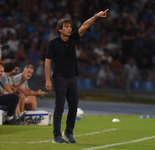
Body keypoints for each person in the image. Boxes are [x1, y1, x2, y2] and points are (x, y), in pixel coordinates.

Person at [45, 9, 109, 143]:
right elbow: (47, 61)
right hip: (59, 77)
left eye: (70, 26)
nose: (69, 28)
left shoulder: (73, 38)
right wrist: (47, 80)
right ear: (59, 30)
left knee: (74, 106)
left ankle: (68, 132)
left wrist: (96, 16)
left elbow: (85, 25)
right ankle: (56, 136)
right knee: (59, 107)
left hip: (73, 78)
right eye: (66, 27)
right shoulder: (53, 43)